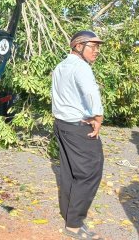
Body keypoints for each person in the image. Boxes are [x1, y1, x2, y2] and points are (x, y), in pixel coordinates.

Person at [51, 30, 104, 240]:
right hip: (78, 127)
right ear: (78, 46)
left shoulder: (61, 66)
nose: (96, 51)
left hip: (61, 124)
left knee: (69, 171)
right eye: (93, 46)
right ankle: (73, 224)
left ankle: (68, 214)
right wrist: (98, 117)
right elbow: (91, 93)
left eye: (97, 47)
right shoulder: (81, 68)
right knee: (90, 172)